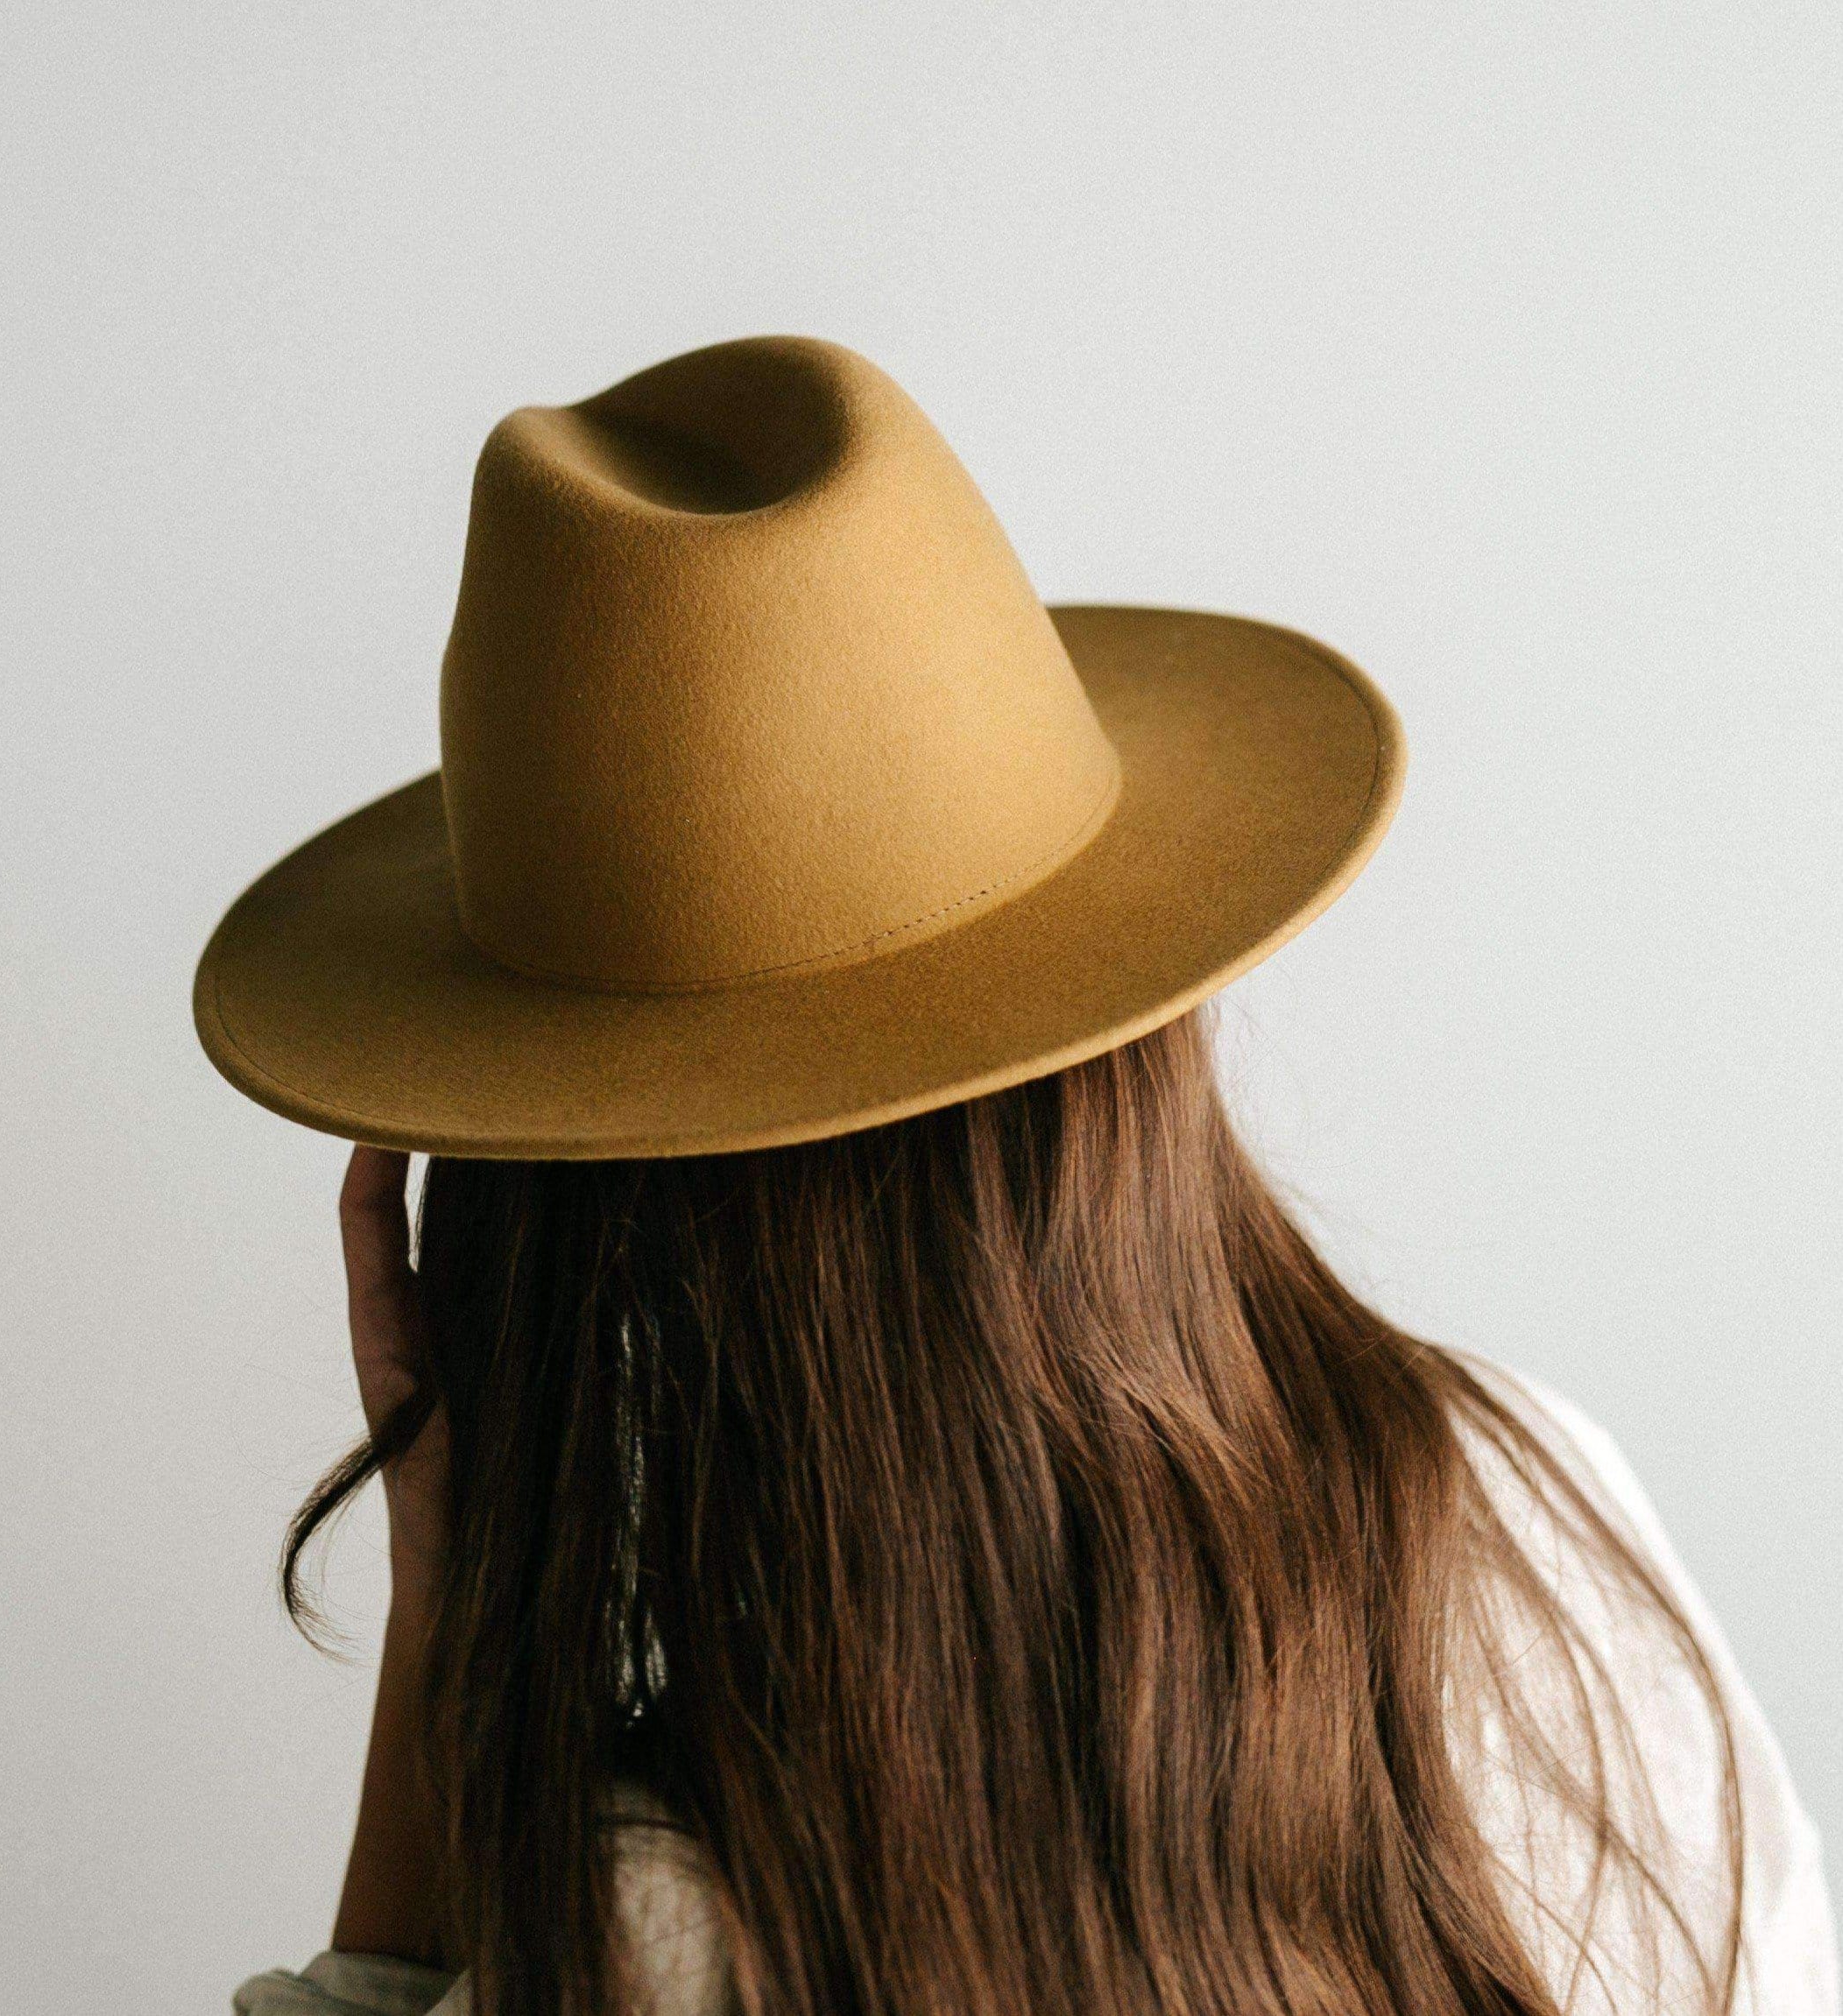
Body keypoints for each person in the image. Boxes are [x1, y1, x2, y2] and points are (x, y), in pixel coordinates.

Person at [201, 337, 1835, 2015]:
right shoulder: (1537, 1521)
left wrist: (447, 1612)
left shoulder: (666, 1931)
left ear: (553, 1204)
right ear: (1127, 1025)